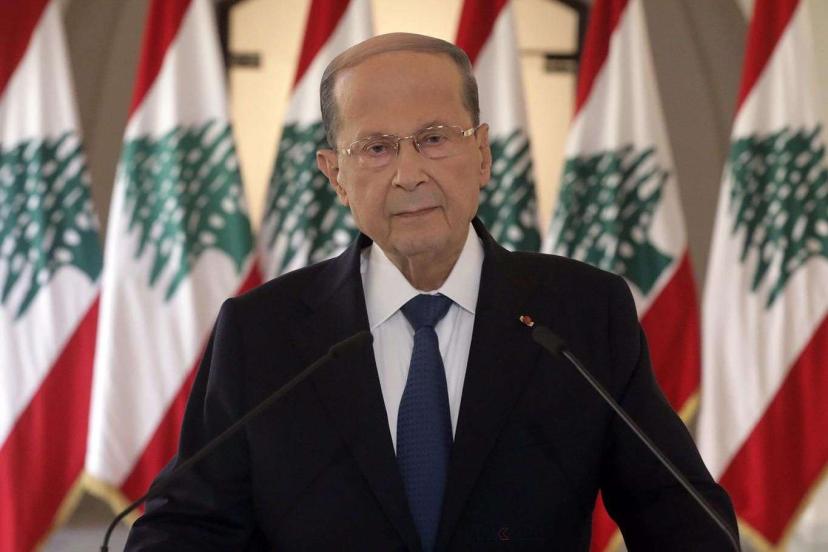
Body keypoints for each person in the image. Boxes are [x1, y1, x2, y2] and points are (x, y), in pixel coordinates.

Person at [125, 33, 737, 551]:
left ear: (483, 154)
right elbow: (188, 528)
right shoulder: (262, 332)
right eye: (376, 148)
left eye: (436, 138)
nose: (409, 174)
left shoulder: (581, 313)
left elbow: (683, 519)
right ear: (336, 176)